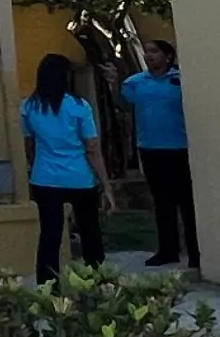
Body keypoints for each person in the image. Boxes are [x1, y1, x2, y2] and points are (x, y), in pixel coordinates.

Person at [23, 53, 111, 283]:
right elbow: (92, 148)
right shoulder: (79, 106)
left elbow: (29, 144)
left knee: (49, 236)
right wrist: (106, 184)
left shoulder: (29, 107)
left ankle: (48, 287)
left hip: (44, 177)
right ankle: (95, 281)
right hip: (79, 177)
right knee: (90, 233)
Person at [122, 41, 197, 271]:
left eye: (154, 51)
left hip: (180, 148)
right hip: (150, 148)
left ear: (168, 56)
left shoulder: (181, 80)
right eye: (147, 51)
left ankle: (195, 252)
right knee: (162, 202)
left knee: (187, 203)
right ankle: (168, 250)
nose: (149, 55)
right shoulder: (135, 82)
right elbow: (122, 104)